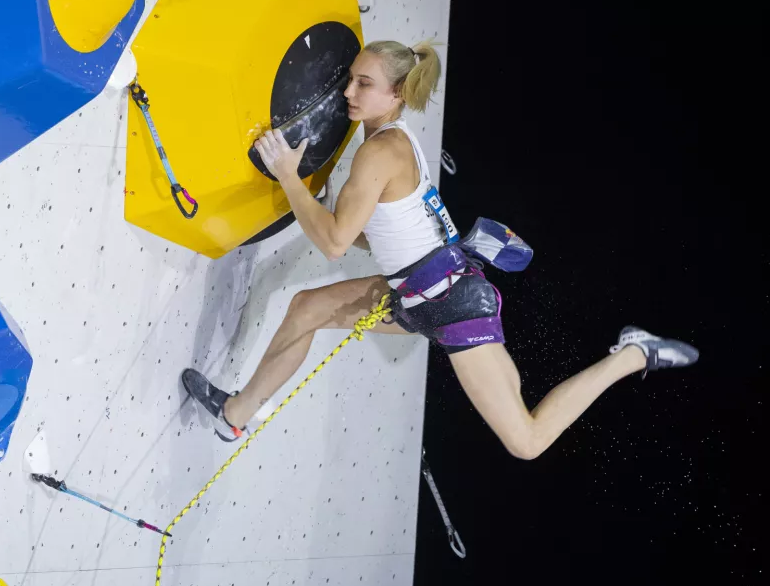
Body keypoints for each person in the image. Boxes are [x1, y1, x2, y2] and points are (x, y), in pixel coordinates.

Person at [181, 39, 698, 459]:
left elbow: (336, 244)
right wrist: (327, 207)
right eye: (351, 79)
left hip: (450, 303)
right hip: (425, 292)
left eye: (364, 84)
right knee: (306, 309)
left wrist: (290, 180)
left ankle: (633, 354)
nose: (348, 93)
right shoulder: (394, 138)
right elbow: (366, 234)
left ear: (397, 93)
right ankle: (234, 418)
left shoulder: (380, 152)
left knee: (527, 440)